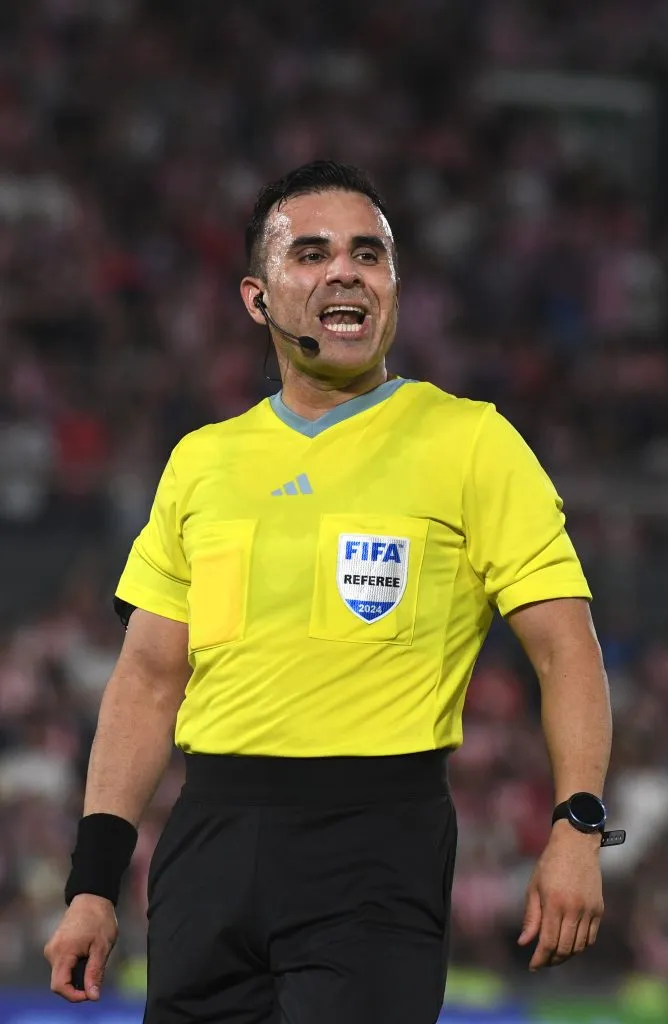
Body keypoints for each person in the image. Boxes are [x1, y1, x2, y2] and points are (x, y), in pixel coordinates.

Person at [44, 160, 621, 1024]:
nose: (344, 271)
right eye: (309, 254)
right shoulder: (202, 461)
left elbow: (564, 647)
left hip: (376, 842)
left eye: (368, 254)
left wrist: (576, 827)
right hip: (209, 842)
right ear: (256, 298)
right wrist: (92, 885)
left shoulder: (471, 442)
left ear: (393, 286)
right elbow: (148, 679)